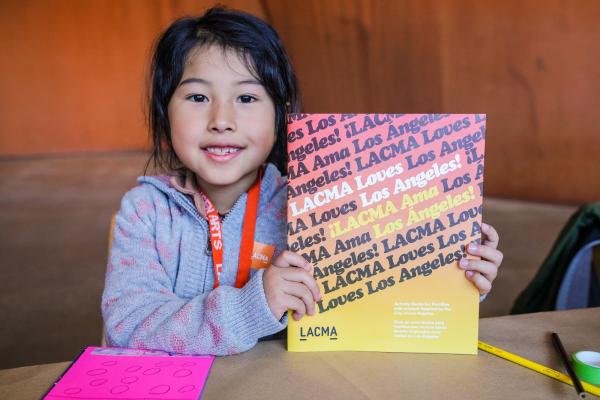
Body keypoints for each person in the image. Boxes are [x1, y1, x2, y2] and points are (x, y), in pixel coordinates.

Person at [101, 7, 503, 356]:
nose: (221, 120)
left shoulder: (316, 203)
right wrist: (252, 305)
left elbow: (373, 295)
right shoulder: (145, 211)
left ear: (281, 115)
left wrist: (456, 277)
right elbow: (129, 326)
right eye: (197, 97)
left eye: (246, 98)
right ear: (164, 112)